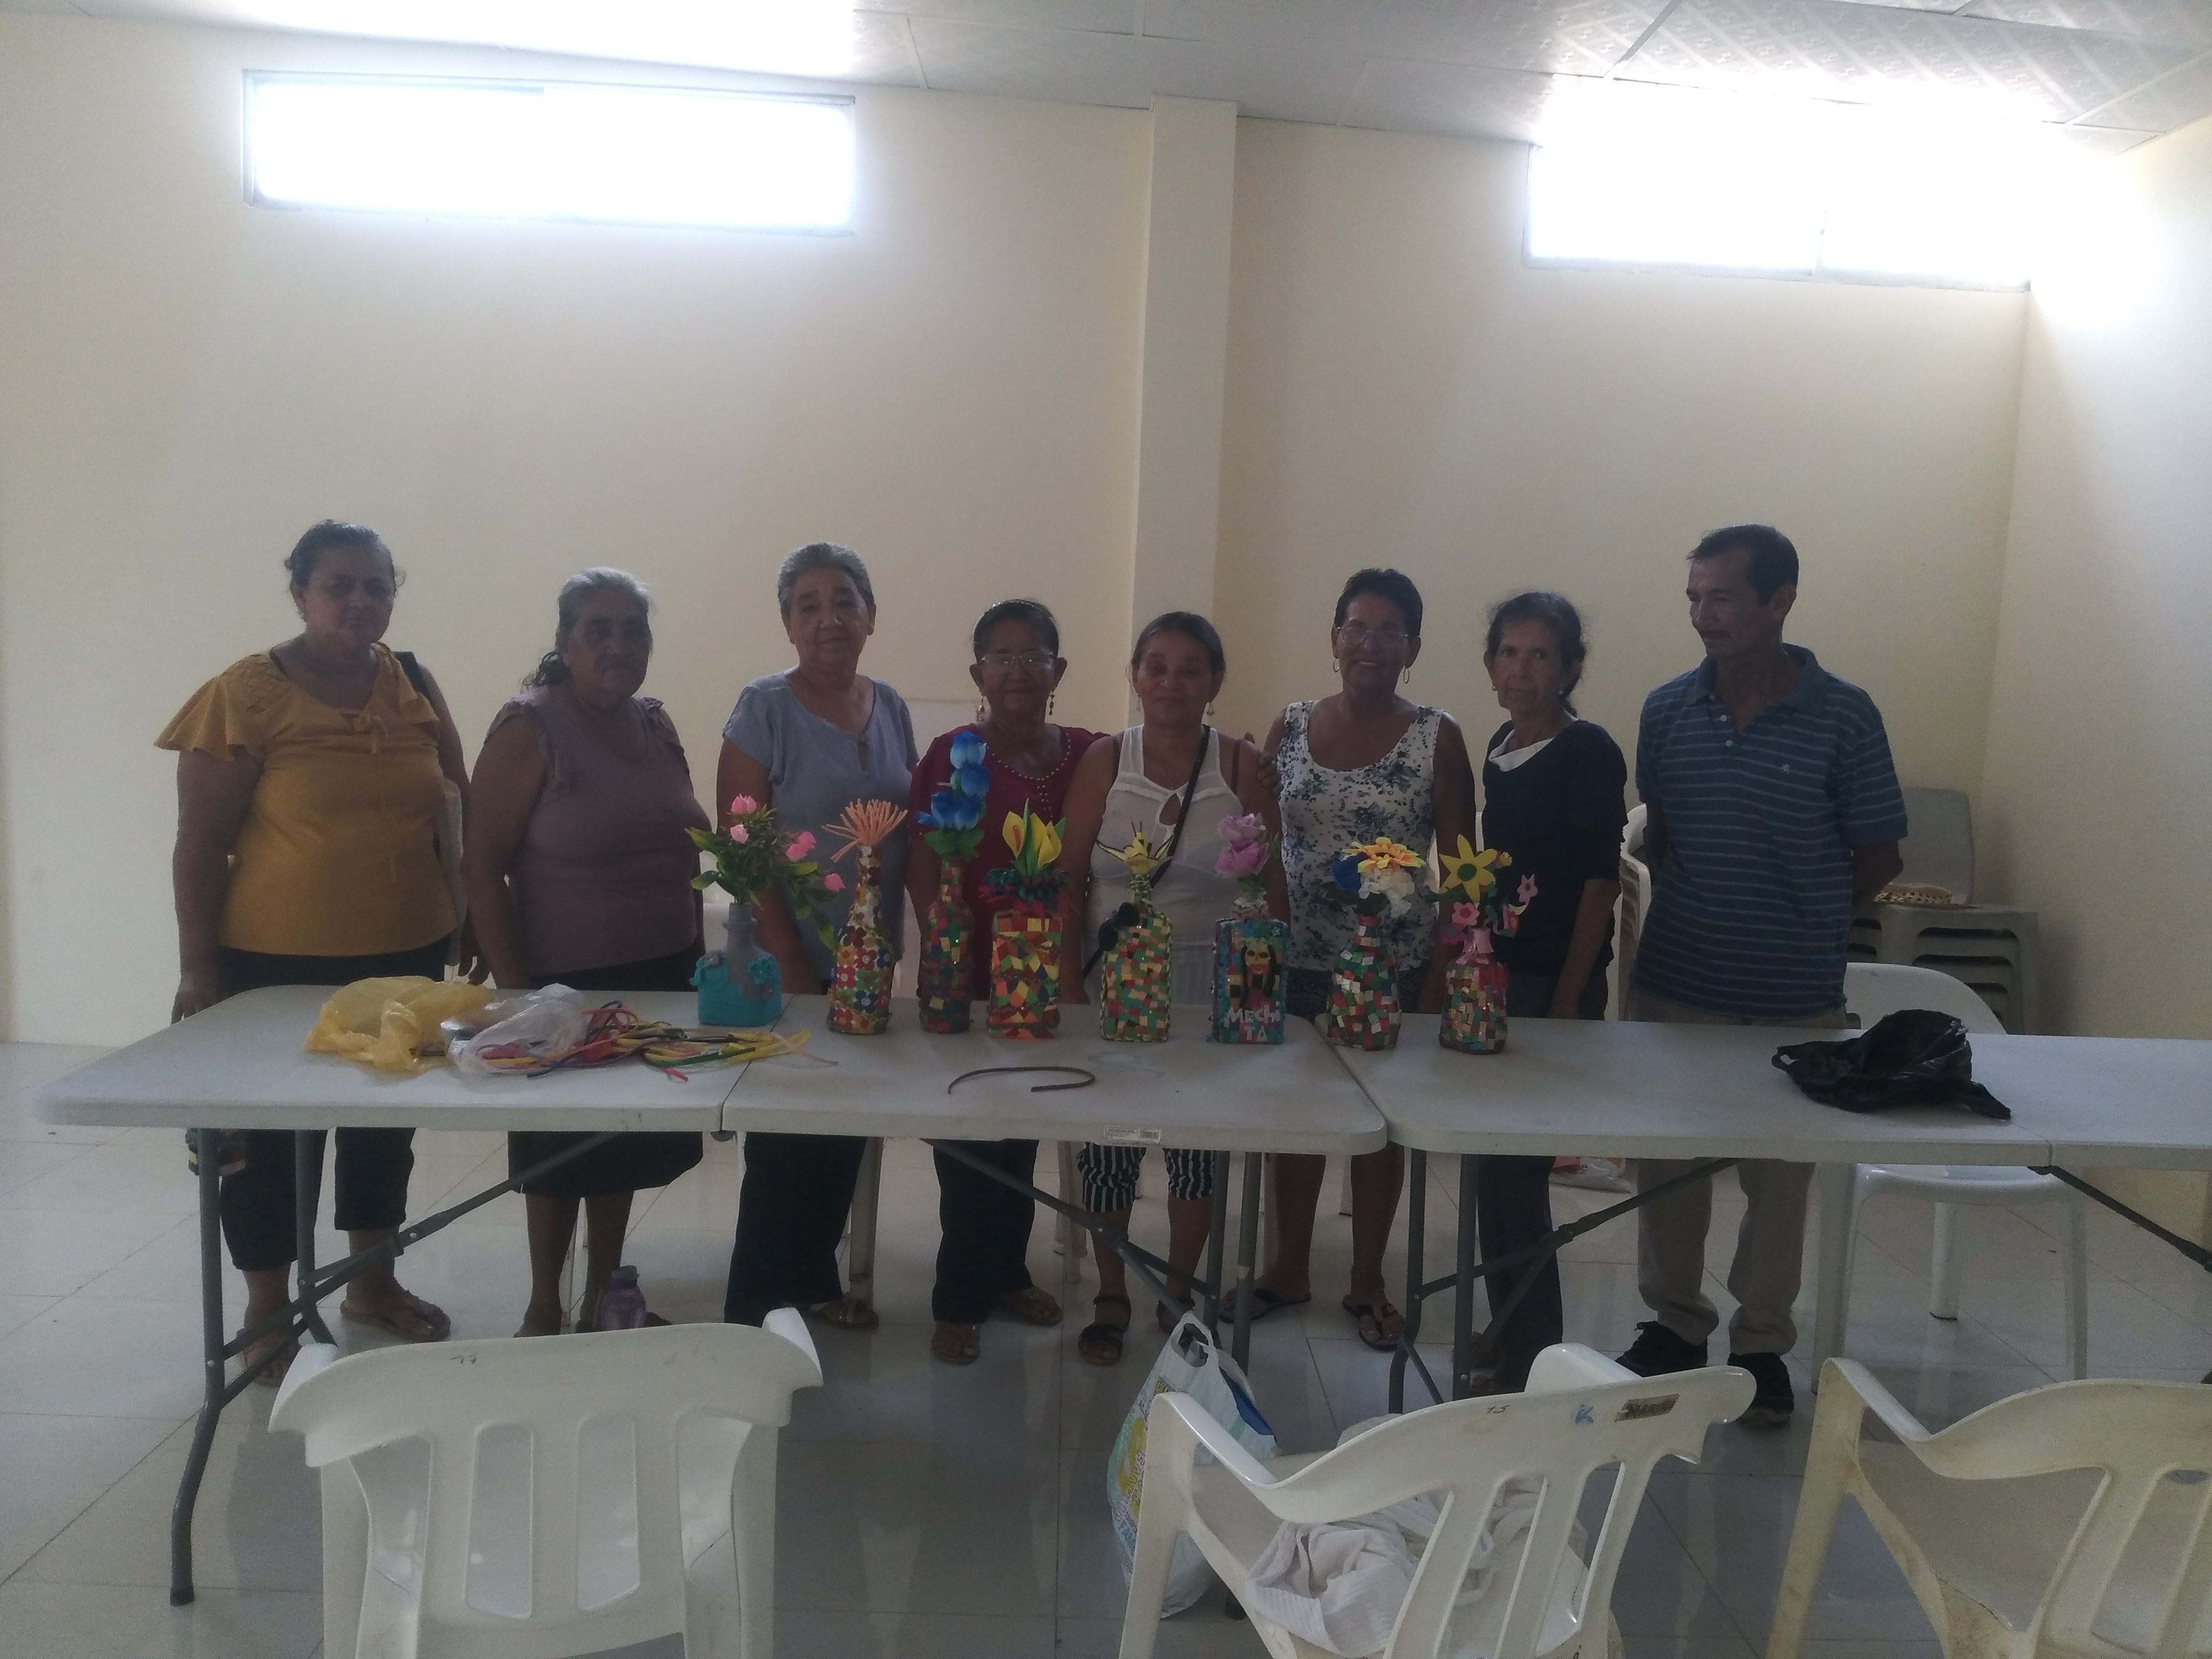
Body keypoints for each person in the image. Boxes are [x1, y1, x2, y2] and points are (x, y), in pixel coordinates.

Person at [160, 520, 465, 1382]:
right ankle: (268, 1308)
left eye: (377, 586)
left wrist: (470, 910)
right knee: (269, 1145)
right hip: (273, 964)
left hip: (406, 951)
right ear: (300, 594)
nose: (360, 601)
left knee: (382, 1133)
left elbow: (455, 797)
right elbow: (200, 841)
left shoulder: (413, 682)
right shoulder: (246, 693)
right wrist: (198, 967)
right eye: (340, 586)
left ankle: (372, 1284)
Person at [1619, 524, 1905, 1428]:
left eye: (1723, 598)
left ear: (1781, 601)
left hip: (1794, 1000)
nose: (1703, 616)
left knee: (1779, 1188)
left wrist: (1799, 921)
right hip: (1676, 984)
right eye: (1694, 598)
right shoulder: (1668, 710)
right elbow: (1663, 836)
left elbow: (1880, 857)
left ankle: (1761, 1345)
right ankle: (1674, 1324)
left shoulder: (1845, 715)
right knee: (1669, 1173)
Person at [464, 569, 708, 1337]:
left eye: (633, 629)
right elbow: (481, 866)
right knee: (558, 1153)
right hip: (562, 986)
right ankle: (544, 1304)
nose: (616, 645)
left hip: (659, 976)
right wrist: (521, 998)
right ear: (565, 642)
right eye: (597, 629)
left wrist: (703, 962)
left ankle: (607, 1296)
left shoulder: (656, 725)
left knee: (621, 1144)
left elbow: (684, 847)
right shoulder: (529, 727)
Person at [1249, 569, 1476, 1352]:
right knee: (1297, 1121)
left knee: (1382, 1129)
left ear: (1413, 647)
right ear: (1334, 638)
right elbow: (1257, 837)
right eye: (1356, 627)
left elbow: (1462, 863)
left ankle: (1368, 1277)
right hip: (1299, 958)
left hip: (1395, 967)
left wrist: (1443, 972)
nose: (1369, 644)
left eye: (1389, 631)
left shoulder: (1438, 735)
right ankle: (1287, 1267)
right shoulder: (1290, 724)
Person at [1057, 612, 1282, 1365]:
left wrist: (1262, 995)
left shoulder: (1243, 767)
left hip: (1211, 993)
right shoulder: (1105, 761)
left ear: (1215, 681)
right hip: (1114, 986)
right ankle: (1111, 1291)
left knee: (1196, 1150)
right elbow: (1069, 877)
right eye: (1155, 666)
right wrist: (1068, 983)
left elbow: (1271, 883)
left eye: (1191, 669)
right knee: (1110, 1148)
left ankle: (1178, 1288)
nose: (1171, 682)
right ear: (1134, 676)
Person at [719, 543, 917, 1330]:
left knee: (845, 1123)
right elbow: (743, 845)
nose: (829, 618)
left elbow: (910, 829)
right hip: (787, 959)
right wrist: (794, 963)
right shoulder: (763, 708)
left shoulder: (890, 705)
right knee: (786, 1137)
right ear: (788, 623)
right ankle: (755, 1313)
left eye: (845, 601)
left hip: (868, 959)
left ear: (871, 615)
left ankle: (812, 1282)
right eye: (809, 605)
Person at [904, 600, 1100, 1365]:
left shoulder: (1088, 752)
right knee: (968, 1134)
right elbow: (925, 862)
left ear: (1059, 669)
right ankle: (958, 1299)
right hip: (969, 974)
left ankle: (1009, 1273)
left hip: (1049, 980)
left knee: (1022, 1128)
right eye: (1001, 656)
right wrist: (943, 950)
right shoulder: (952, 753)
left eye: (1034, 655)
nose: (1018, 670)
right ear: (977, 672)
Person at [1473, 590, 1628, 1390]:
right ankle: (1509, 1329)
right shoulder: (1500, 744)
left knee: (1519, 1176)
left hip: (1551, 986)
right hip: (1497, 979)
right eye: (1509, 652)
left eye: (1541, 655)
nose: (1521, 670)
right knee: (1491, 1171)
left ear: (1570, 668)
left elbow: (1601, 883)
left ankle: (1532, 1354)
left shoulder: (1588, 751)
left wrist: (1568, 999)